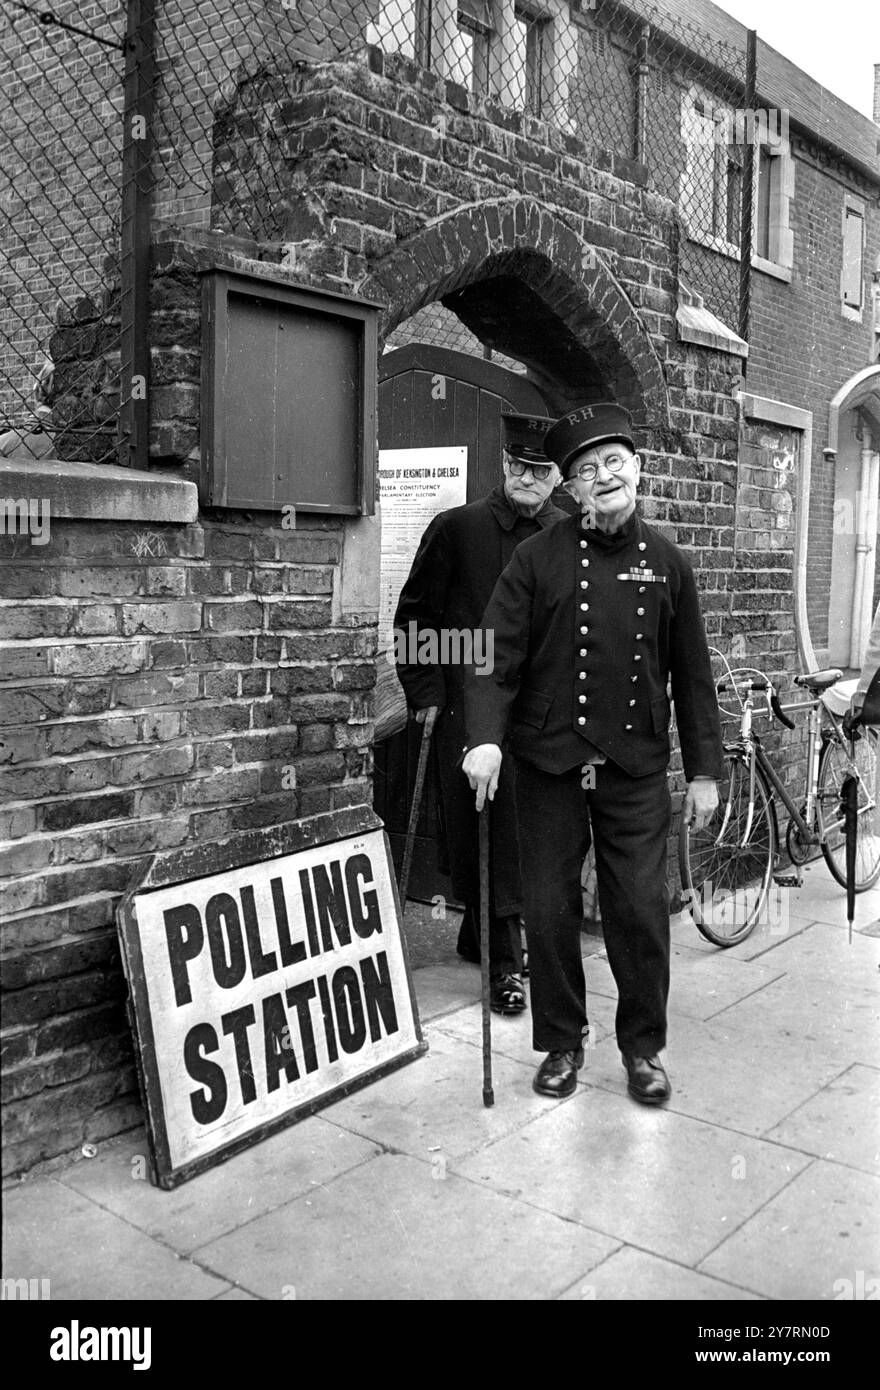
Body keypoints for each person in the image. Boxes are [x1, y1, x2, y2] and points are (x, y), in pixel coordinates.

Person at [463, 402, 723, 1101]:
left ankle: (642, 1050)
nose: (603, 477)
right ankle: (561, 1045)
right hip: (547, 764)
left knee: (639, 912)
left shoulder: (669, 563)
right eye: (586, 470)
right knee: (548, 912)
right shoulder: (535, 558)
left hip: (635, 766)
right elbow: (491, 655)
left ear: (637, 469)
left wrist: (704, 770)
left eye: (614, 463)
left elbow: (693, 675)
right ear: (569, 489)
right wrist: (485, 738)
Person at [394, 412, 567, 1014]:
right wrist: (428, 696)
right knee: (483, 827)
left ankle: (481, 933)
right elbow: (415, 616)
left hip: (541, 714)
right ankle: (503, 963)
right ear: (503, 464)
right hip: (469, 707)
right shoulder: (457, 528)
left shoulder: (569, 536)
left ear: (557, 479)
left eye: (540, 470)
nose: (527, 477)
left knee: (529, 830)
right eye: (519, 465)